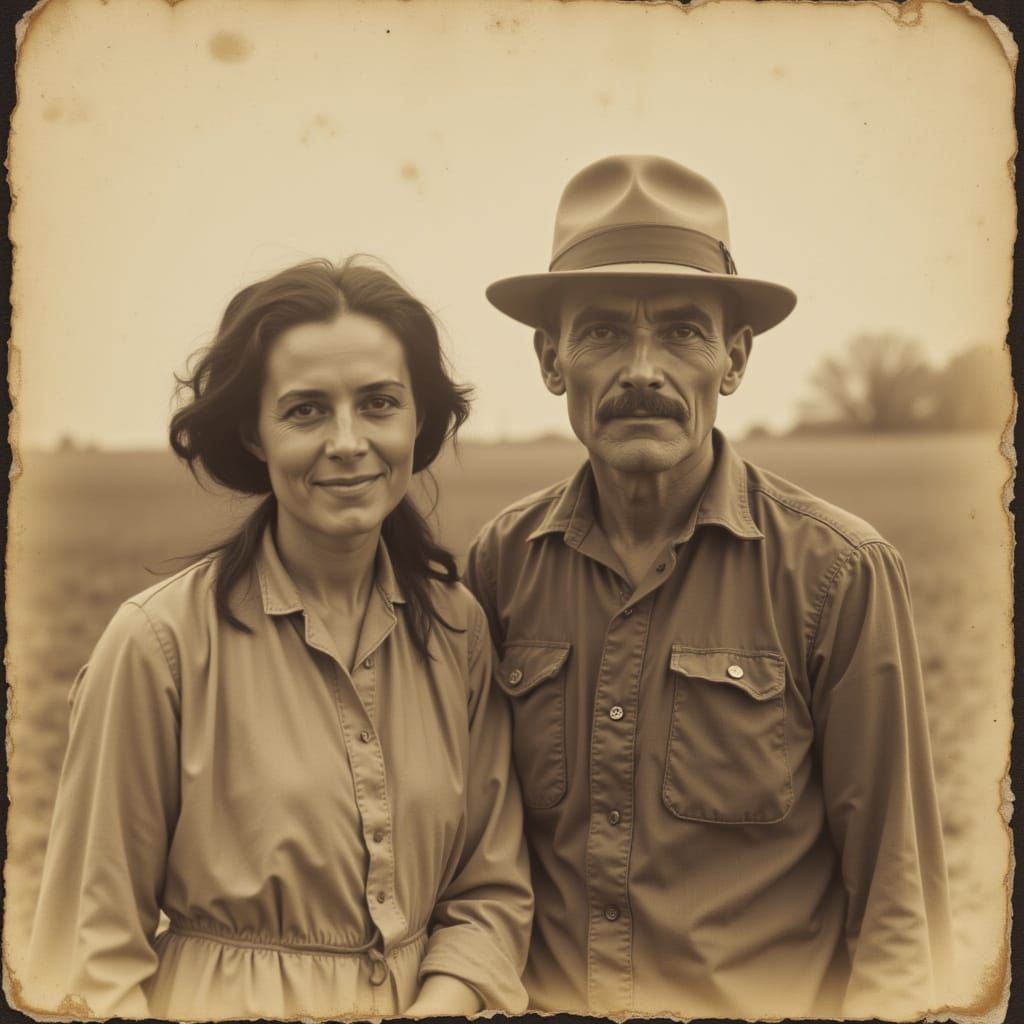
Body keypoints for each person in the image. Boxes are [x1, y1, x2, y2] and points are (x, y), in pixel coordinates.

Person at [466, 155, 954, 1021]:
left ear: (734, 360)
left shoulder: (838, 572)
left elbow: (898, 904)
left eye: (683, 332)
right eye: (602, 332)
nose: (642, 371)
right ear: (550, 360)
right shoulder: (499, 568)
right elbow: (469, 862)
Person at [24, 258, 533, 1020]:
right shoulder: (157, 647)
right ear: (253, 434)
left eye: (379, 403)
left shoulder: (457, 630)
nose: (348, 442)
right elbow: (87, 963)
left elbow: (489, 894)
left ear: (417, 419)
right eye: (305, 411)